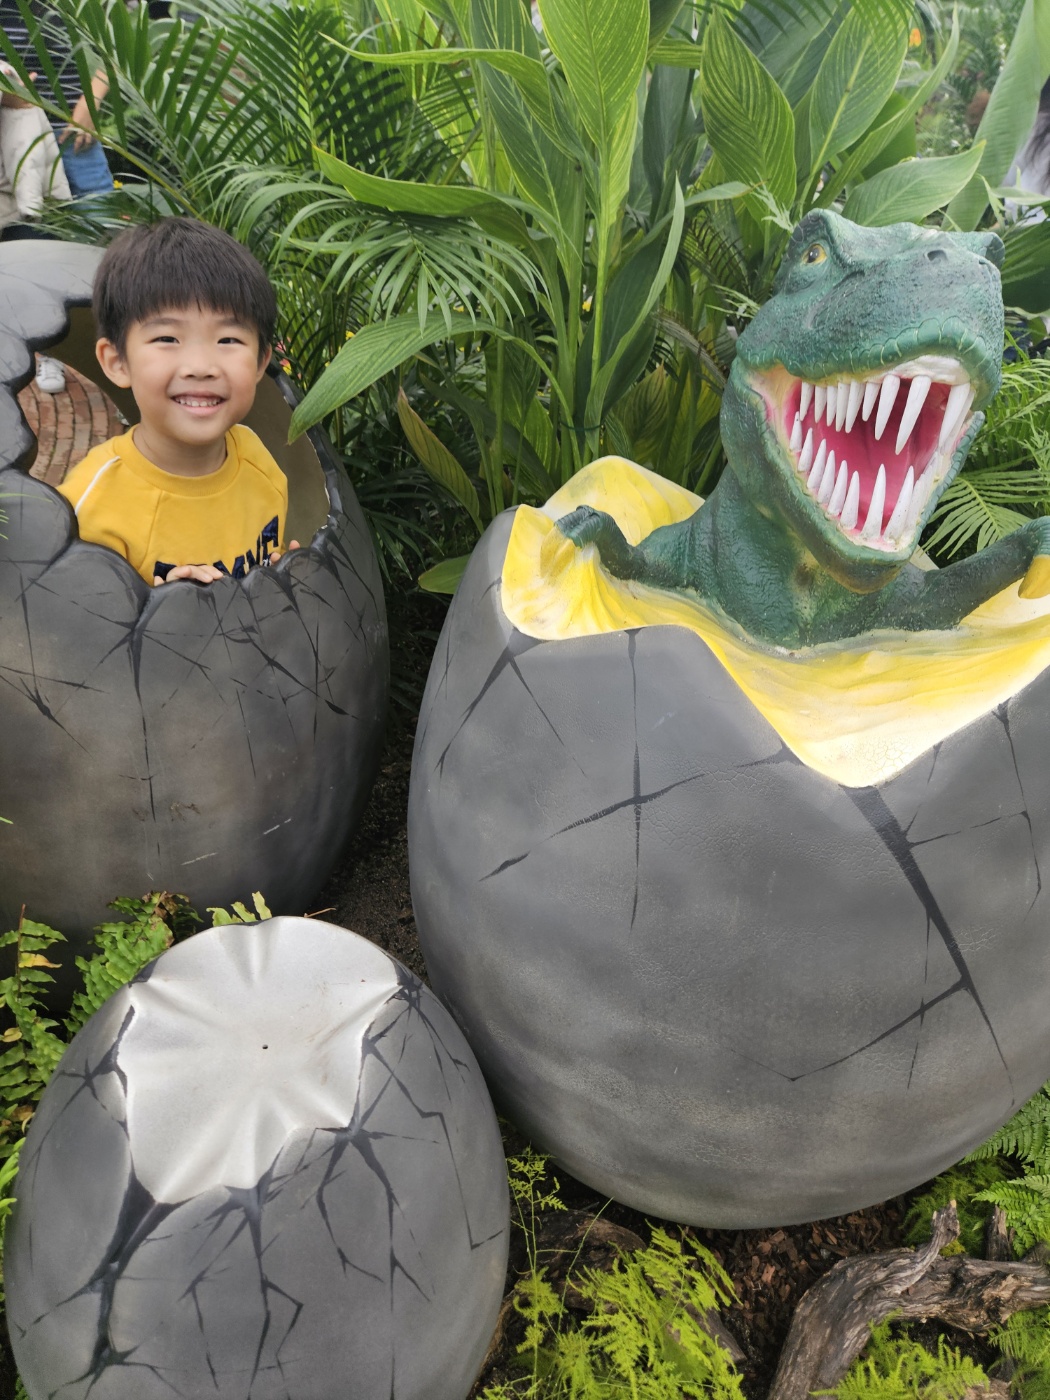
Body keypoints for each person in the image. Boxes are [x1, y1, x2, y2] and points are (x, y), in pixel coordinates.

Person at [59, 217, 298, 586]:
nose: (201, 367)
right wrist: (156, 606)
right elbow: (67, 615)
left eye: (228, 340)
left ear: (259, 362)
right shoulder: (91, 508)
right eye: (167, 339)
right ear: (117, 361)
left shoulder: (259, 462)